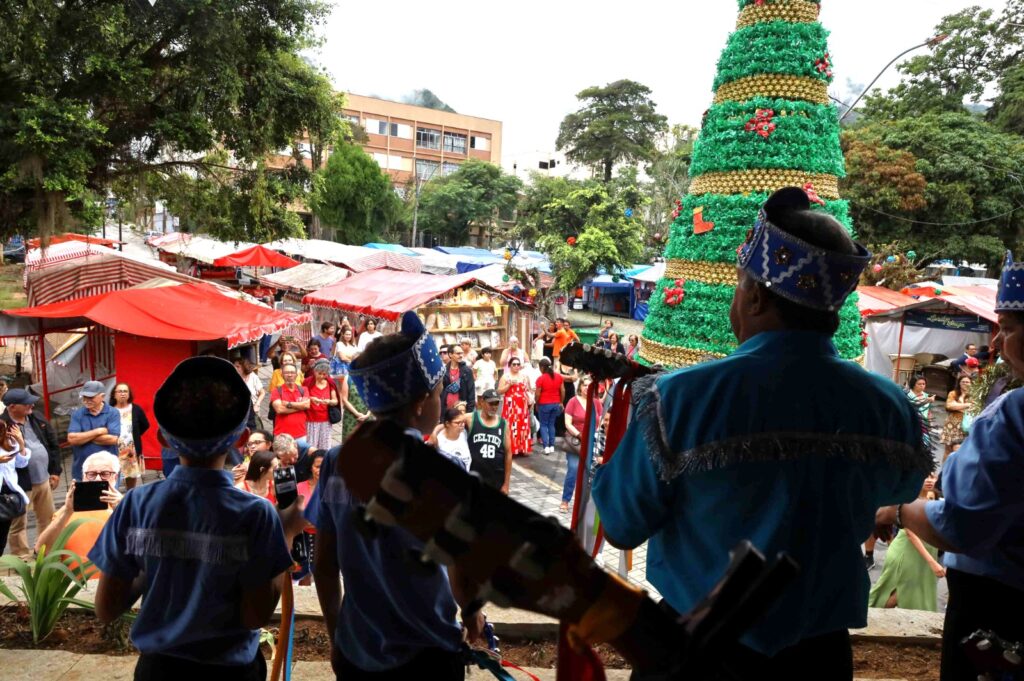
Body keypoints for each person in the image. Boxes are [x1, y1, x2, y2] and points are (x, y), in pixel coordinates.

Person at [592, 187, 930, 679]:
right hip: (819, 660)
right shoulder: (891, 406)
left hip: (695, 652)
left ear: (753, 296)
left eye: (738, 285)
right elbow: (900, 488)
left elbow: (622, 525)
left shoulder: (677, 398)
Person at [89, 356, 305, 681]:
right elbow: (255, 615)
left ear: (163, 440)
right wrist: (286, 532)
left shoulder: (136, 504)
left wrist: (159, 558)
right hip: (232, 672)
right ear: (242, 439)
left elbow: (107, 609)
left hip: (157, 672)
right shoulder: (256, 514)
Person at [875, 251, 1024, 681]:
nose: (997, 343)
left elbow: (962, 526)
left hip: (1000, 611)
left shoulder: (1012, 416)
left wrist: (898, 510)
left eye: (1008, 328)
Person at [309, 311, 483, 679]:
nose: (440, 402)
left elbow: (324, 565)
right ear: (420, 403)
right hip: (428, 656)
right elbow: (461, 576)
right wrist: (473, 618)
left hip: (358, 651)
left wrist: (337, 637)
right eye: (438, 394)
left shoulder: (336, 463)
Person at [868, 475, 944, 612]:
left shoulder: (936, 499)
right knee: (897, 593)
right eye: (926, 476)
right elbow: (911, 534)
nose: (929, 480)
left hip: (923, 556)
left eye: (933, 477)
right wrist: (932, 562)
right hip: (907, 553)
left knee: (913, 594)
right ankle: (871, 615)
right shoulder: (907, 501)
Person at [2, 389, 61, 560]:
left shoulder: (36, 417)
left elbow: (53, 444)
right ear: (12, 407)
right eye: (27, 403)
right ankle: (21, 558)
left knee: (48, 518)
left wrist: (55, 471)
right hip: (19, 483)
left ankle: (44, 553)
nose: (32, 405)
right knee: (18, 523)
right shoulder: (2, 424)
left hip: (43, 478)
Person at [35, 451, 123, 557]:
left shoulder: (126, 505)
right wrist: (67, 511)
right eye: (91, 474)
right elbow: (42, 551)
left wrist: (123, 509)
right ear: (83, 477)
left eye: (105, 474)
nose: (98, 479)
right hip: (76, 567)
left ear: (115, 477)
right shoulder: (69, 509)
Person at [562, 375, 603, 512]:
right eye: (584, 385)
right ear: (580, 386)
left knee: (590, 473)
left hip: (592, 442)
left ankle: (585, 502)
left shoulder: (596, 403)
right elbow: (567, 423)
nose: (587, 387)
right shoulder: (573, 401)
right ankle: (565, 500)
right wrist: (580, 435)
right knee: (573, 469)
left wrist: (596, 436)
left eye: (589, 385)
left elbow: (601, 422)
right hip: (575, 443)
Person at [67, 381, 120, 481]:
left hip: (107, 472)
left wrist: (83, 436)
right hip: (82, 471)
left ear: (102, 396)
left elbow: (112, 439)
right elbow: (72, 439)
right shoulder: (77, 414)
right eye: (84, 397)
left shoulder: (113, 413)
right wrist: (98, 431)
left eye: (91, 397)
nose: (86, 400)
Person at [468, 389, 512, 493]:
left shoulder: (504, 424)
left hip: (496, 479)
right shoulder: (471, 419)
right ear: (482, 402)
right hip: (475, 475)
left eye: (496, 403)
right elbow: (450, 421)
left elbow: (508, 454)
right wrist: (434, 433)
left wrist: (506, 484)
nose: (494, 407)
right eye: (491, 403)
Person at [111, 383, 151, 490]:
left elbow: (145, 424)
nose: (123, 394)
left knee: (131, 477)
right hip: (113, 449)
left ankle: (130, 494)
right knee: (113, 476)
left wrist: (135, 435)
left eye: (125, 391)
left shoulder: (136, 409)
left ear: (129, 394)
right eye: (120, 391)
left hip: (131, 450)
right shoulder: (110, 411)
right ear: (114, 394)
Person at [0, 418, 29, 554]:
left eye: (4, 429)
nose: (5, 433)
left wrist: (21, 443)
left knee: (2, 534)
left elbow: (21, 464)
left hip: (8, 494)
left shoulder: (9, 443)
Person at [497, 356, 532, 457]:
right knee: (511, 427)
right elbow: (499, 391)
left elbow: (529, 390)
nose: (516, 366)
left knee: (522, 426)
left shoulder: (525, 377)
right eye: (514, 364)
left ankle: (522, 448)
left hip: (522, 406)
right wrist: (509, 385)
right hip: (510, 407)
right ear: (510, 366)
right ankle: (511, 449)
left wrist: (530, 401)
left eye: (518, 364)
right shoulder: (505, 377)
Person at [271, 363, 309, 446]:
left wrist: (289, 404)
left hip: (300, 434)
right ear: (282, 375)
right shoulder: (276, 391)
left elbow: (306, 405)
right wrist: (300, 406)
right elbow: (280, 410)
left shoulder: (303, 389)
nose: (290, 375)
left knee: (301, 454)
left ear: (296, 374)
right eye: (287, 372)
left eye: (292, 372)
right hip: (282, 435)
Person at [305, 359, 338, 451]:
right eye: (319, 373)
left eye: (324, 374)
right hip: (311, 419)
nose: (322, 376)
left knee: (325, 447)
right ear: (314, 371)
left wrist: (329, 401)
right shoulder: (307, 382)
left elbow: (335, 401)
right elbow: (301, 397)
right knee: (311, 446)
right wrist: (312, 399)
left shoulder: (330, 383)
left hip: (325, 420)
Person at [534, 358, 564, 454]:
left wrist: (536, 403)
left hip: (544, 404)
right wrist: (561, 402)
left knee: (543, 425)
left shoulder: (541, 379)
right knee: (551, 424)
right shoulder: (558, 377)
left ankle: (546, 446)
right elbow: (563, 391)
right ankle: (552, 446)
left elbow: (537, 394)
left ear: (542, 367)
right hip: (556, 403)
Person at [429, 407, 472, 471]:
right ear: (447, 424)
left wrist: (435, 431)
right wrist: (434, 432)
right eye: (458, 423)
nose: (462, 425)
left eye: (463, 422)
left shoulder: (464, 433)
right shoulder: (438, 440)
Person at [940, 375, 972, 461]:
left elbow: (974, 408)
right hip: (952, 425)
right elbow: (949, 406)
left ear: (971, 383)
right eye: (963, 382)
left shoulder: (974, 395)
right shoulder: (953, 393)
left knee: (961, 451)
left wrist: (957, 406)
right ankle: (945, 469)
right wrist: (966, 405)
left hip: (966, 426)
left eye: (967, 382)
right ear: (959, 383)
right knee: (948, 450)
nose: (965, 384)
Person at [441, 344, 475, 414]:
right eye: (458, 353)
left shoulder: (467, 371)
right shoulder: (443, 371)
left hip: (462, 409)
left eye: (462, 353)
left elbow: (471, 391)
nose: (461, 355)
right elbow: (441, 391)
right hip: (446, 409)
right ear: (450, 354)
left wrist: (469, 410)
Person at [907, 376, 936, 452]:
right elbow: (914, 406)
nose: (922, 386)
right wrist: (926, 401)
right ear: (913, 384)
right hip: (911, 423)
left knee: (924, 446)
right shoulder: (908, 395)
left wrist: (930, 423)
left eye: (923, 384)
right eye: (919, 384)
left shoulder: (926, 395)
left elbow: (928, 411)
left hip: (924, 424)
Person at [235, 358, 265, 429]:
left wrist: (257, 404)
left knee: (256, 427)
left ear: (244, 367)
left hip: (253, 408)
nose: (235, 368)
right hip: (240, 410)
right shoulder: (234, 378)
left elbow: (262, 392)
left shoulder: (252, 376)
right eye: (234, 366)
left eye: (238, 366)